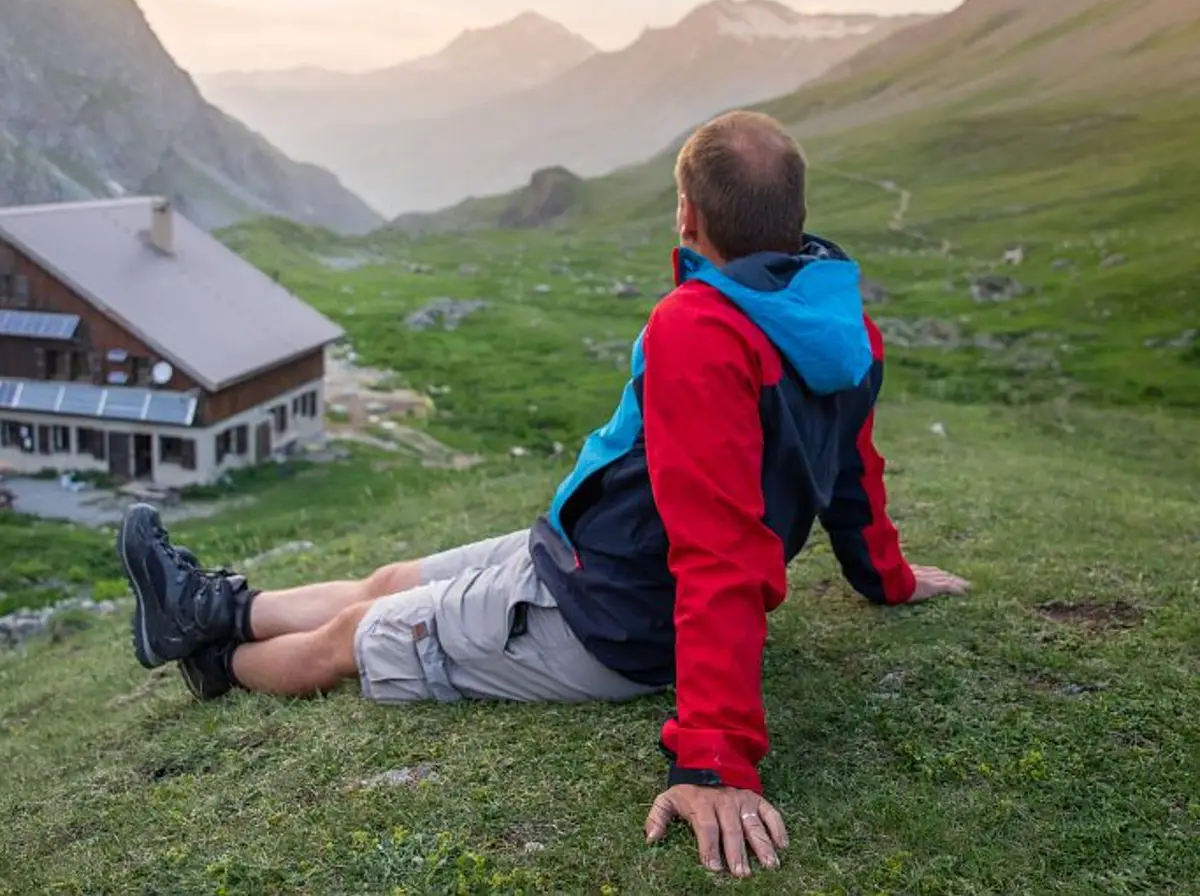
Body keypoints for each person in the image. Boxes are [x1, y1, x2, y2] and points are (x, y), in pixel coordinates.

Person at [118, 109, 969, 879]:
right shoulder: (842, 324)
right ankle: (207, 606)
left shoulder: (702, 330)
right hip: (581, 557)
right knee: (388, 581)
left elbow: (721, 549)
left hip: (609, 618)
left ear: (687, 217)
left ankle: (216, 662)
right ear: (794, 215)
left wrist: (714, 761)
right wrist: (886, 579)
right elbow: (853, 475)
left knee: (351, 636)